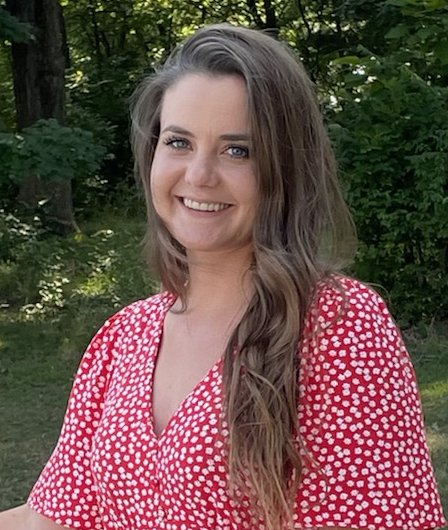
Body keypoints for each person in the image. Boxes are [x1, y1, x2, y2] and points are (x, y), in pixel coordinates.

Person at [0, 23, 446, 530]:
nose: (199, 175)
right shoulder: (123, 338)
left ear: (286, 169)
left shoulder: (338, 330)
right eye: (179, 142)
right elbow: (54, 517)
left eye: (239, 150)